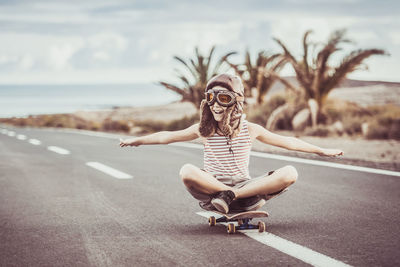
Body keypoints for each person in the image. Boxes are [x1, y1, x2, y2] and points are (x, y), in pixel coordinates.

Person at [120, 73, 343, 214]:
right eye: (211, 99)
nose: (215, 105)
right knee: (186, 171)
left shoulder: (250, 129)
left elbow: (287, 142)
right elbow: (166, 136)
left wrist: (322, 151)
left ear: (236, 102)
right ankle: (226, 193)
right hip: (213, 192)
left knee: (290, 172)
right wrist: (135, 141)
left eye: (223, 99)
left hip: (246, 189)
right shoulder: (203, 130)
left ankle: (233, 196)